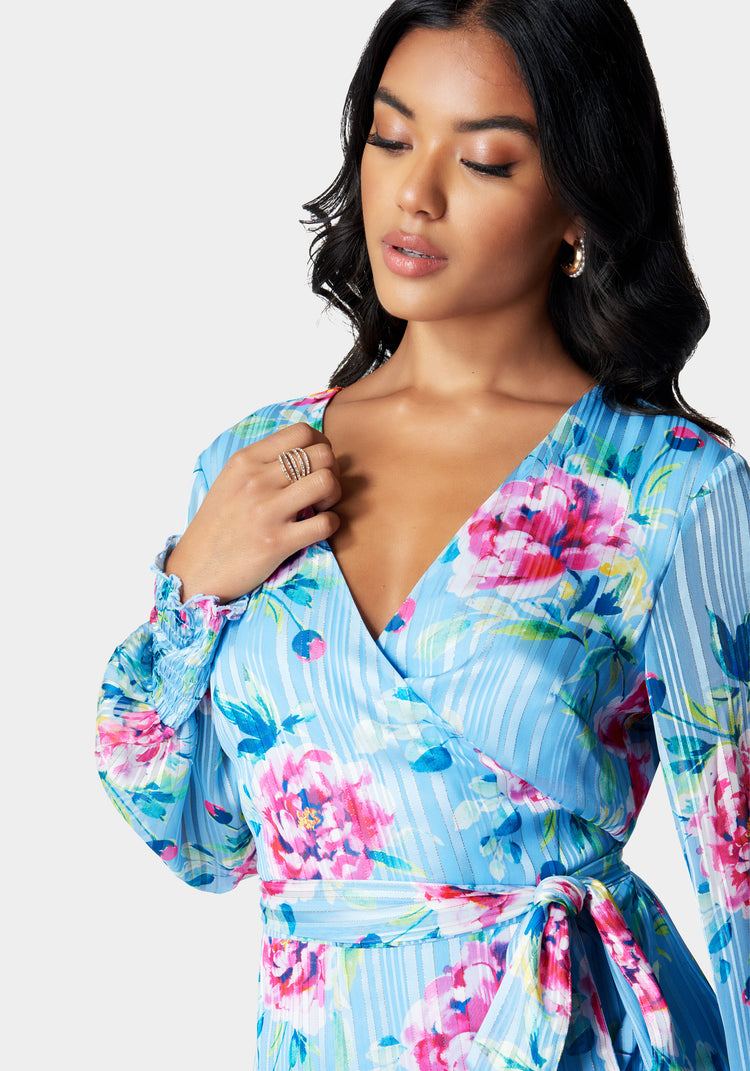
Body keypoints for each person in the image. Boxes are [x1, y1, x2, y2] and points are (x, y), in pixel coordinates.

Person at [95, 1, 749, 1068]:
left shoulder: (673, 489)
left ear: (579, 205)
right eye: (392, 138)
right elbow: (200, 840)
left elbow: (741, 871)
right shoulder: (254, 466)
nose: (416, 193)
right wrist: (193, 587)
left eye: (484, 160)